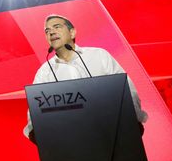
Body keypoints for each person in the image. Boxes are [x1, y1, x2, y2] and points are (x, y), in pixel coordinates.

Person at [23, 14, 148, 142]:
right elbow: (36, 107)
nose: (51, 32)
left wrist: (133, 118)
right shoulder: (45, 72)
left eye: (57, 27)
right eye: (47, 31)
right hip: (70, 140)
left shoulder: (99, 56)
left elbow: (126, 88)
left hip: (111, 132)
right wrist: (35, 131)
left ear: (72, 32)